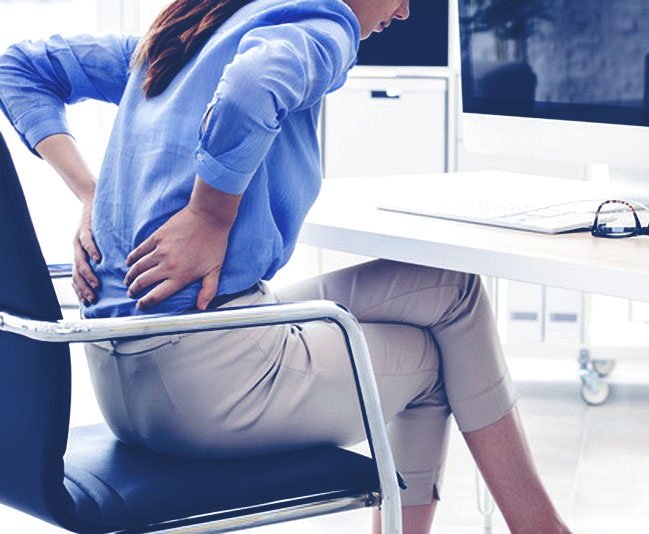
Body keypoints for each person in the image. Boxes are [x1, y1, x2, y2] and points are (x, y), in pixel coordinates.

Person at [0, 1, 570, 532]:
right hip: (205, 383)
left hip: (124, 373)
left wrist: (90, 193)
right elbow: (254, 85)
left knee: (452, 290)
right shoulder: (324, 23)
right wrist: (210, 213)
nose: (404, 9)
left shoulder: (183, 35)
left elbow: (17, 66)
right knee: (431, 359)